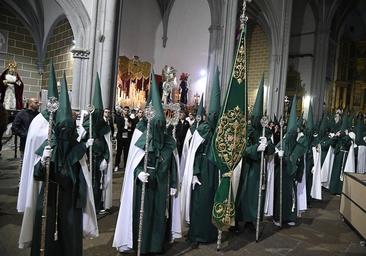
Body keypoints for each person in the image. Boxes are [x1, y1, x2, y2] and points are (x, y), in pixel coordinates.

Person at [19, 74, 98, 255]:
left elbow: (82, 176)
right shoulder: (50, 144)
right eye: (61, 128)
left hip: (70, 198)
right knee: (44, 231)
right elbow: (37, 174)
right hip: (48, 195)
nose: (65, 132)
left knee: (69, 232)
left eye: (68, 128)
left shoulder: (77, 149)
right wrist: (44, 160)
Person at [113, 73, 181, 254]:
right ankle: (140, 244)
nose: (158, 128)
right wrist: (138, 173)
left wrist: (174, 183)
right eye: (155, 124)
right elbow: (133, 164)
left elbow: (174, 164)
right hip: (143, 185)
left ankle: (156, 245)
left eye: (161, 124)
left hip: (161, 186)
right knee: (142, 214)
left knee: (159, 215)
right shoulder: (141, 138)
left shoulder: (168, 142)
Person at [181, 68, 220, 248]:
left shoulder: (220, 131)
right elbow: (194, 151)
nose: (212, 118)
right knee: (200, 203)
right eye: (210, 115)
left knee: (211, 202)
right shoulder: (202, 130)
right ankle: (197, 233)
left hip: (214, 170)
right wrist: (195, 173)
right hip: (202, 169)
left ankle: (209, 232)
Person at [236, 77, 275, 230]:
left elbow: (272, 147)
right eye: (254, 117)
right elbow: (242, 148)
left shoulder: (267, 131)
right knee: (242, 194)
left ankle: (253, 219)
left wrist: (267, 145)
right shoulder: (246, 130)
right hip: (245, 167)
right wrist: (255, 149)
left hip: (259, 168)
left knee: (255, 195)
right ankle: (239, 219)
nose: (256, 119)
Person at [273, 97, 307, 226]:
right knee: (280, 197)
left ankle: (290, 217)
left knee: (290, 197)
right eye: (290, 134)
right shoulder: (282, 143)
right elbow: (273, 159)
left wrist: (298, 175)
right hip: (281, 174)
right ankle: (278, 217)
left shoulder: (299, 146)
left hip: (291, 177)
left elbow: (300, 161)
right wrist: (278, 156)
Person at [114, 105, 133, 172]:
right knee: (119, 152)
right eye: (125, 110)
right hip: (120, 138)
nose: (126, 112)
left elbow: (132, 129)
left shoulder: (131, 120)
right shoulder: (119, 119)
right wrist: (126, 129)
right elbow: (119, 128)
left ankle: (126, 166)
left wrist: (128, 129)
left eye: (127, 111)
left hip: (127, 139)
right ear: (123, 111)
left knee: (126, 153)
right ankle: (116, 165)